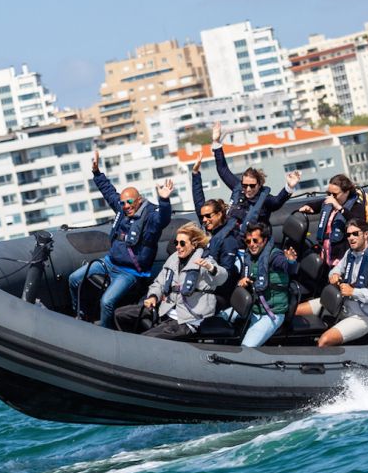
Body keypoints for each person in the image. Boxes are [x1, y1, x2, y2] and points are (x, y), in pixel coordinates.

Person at [69, 149, 173, 328]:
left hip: (130, 272)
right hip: (109, 262)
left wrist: (164, 201)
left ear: (139, 201)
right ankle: (80, 315)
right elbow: (109, 192)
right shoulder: (122, 209)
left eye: (129, 202)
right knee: (74, 279)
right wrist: (96, 172)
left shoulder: (149, 219)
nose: (126, 206)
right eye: (123, 203)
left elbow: (163, 219)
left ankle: (105, 332)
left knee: (106, 302)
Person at [113, 223, 226, 339]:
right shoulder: (173, 259)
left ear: (194, 245)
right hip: (165, 309)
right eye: (176, 243)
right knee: (120, 314)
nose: (178, 246)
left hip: (186, 319)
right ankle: (127, 345)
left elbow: (222, 278)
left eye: (182, 243)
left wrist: (211, 268)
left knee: (145, 339)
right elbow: (159, 283)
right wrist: (153, 296)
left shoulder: (204, 262)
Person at [295, 219, 368, 347]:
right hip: (341, 305)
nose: (351, 238)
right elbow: (336, 270)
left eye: (355, 234)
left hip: (361, 316)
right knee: (296, 311)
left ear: (366, 234)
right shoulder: (350, 254)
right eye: (348, 235)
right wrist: (334, 275)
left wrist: (353, 292)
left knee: (324, 341)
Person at [210, 122, 301, 236]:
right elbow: (222, 170)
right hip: (234, 236)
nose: (248, 189)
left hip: (255, 241)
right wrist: (216, 142)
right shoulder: (238, 188)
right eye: (245, 185)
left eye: (252, 186)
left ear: (259, 185)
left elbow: (277, 202)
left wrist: (290, 186)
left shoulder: (264, 198)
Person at [222, 222, 299, 347]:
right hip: (253, 308)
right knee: (221, 318)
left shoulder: (274, 257)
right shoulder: (250, 257)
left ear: (264, 240)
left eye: (255, 240)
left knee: (246, 347)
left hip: (270, 314)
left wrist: (290, 261)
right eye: (248, 241)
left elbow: (288, 267)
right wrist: (242, 282)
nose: (252, 244)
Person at [191, 147, 240, 297]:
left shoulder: (228, 239)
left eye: (208, 216)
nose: (204, 220)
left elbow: (226, 273)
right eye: (203, 217)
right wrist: (195, 174)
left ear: (219, 214)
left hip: (218, 286)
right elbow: (198, 200)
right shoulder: (209, 226)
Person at [298, 174, 367, 267]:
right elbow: (318, 204)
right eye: (328, 193)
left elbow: (359, 222)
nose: (331, 197)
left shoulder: (356, 206)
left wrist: (339, 208)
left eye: (334, 194)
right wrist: (309, 207)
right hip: (325, 252)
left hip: (341, 256)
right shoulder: (329, 202)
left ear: (346, 192)